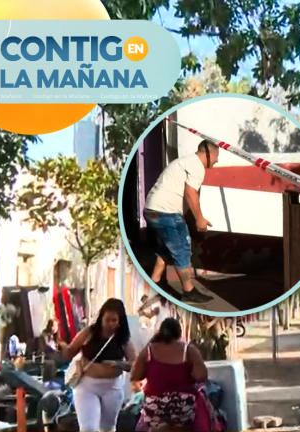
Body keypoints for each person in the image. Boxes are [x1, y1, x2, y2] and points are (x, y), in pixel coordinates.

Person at [144, 139, 219, 306]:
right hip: (166, 212)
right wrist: (199, 218)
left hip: (153, 210)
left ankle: (152, 287)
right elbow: (191, 192)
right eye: (217, 156)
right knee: (182, 250)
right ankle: (189, 291)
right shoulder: (197, 166)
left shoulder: (185, 161)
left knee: (166, 249)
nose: (217, 160)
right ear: (209, 153)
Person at [63, 298, 136, 432]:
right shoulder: (90, 332)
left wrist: (118, 364)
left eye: (114, 320)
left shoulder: (123, 339)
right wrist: (62, 347)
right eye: (107, 319)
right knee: (88, 429)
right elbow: (70, 351)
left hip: (112, 388)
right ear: (101, 318)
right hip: (87, 387)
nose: (110, 324)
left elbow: (134, 364)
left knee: (107, 428)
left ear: (120, 321)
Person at [132, 317, 208, 432]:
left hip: (155, 405)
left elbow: (135, 376)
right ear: (179, 333)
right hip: (183, 405)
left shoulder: (148, 350)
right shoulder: (189, 350)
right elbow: (201, 376)